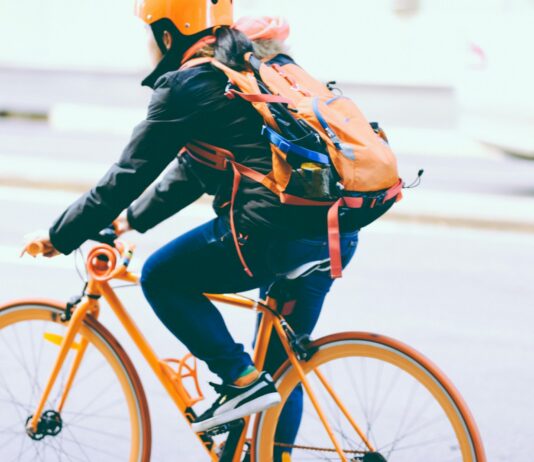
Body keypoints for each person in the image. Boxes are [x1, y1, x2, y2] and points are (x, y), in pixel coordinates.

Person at [26, 1, 368, 460]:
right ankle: (268, 445)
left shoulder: (188, 83)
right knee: (281, 371)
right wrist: (128, 222)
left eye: (150, 33)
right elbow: (194, 170)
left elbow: (128, 174)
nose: (147, 45)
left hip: (272, 237)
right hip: (333, 231)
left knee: (162, 276)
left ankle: (237, 379)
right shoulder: (249, 67)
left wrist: (61, 234)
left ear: (169, 35)